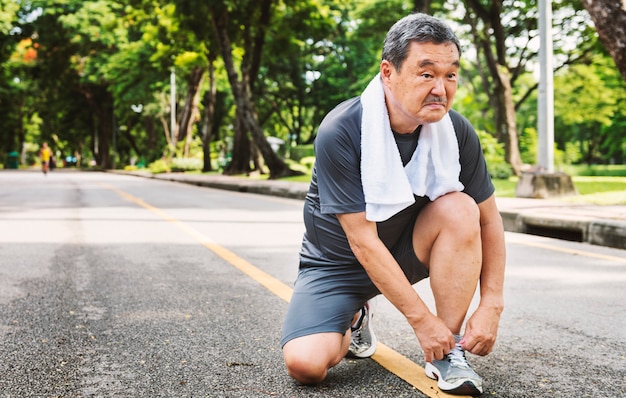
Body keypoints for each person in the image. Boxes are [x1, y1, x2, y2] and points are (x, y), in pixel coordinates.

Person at [281, 13, 505, 397]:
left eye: (451, 75)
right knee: (306, 366)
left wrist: (492, 304)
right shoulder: (343, 130)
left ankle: (446, 351)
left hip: (404, 252)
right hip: (338, 265)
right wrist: (420, 320)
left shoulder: (456, 131)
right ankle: (354, 316)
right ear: (388, 72)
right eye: (426, 73)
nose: (441, 88)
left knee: (461, 208)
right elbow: (362, 241)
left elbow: (489, 222)